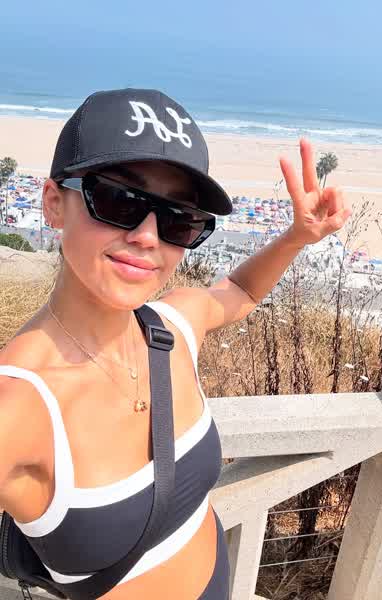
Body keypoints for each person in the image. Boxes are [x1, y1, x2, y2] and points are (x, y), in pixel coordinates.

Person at [0, 88, 351, 599]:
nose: (148, 237)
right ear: (54, 202)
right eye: (119, 200)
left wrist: (297, 236)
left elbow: (239, 291)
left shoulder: (170, 329)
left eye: (177, 219)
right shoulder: (18, 408)